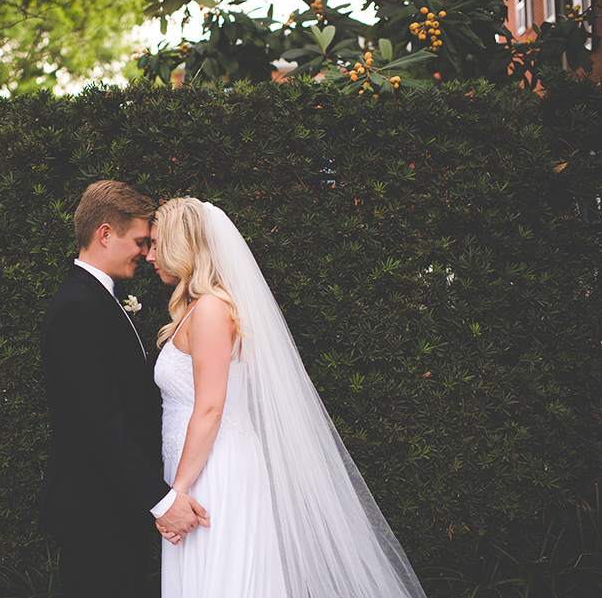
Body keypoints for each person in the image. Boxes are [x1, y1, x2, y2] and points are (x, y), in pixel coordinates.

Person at [147, 197, 428, 598]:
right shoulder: (196, 308)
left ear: (182, 244)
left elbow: (210, 406)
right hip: (194, 468)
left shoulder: (211, 308)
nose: (150, 255)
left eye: (157, 244)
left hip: (212, 472)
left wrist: (176, 493)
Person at [39, 181, 208, 598]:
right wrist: (162, 501)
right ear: (104, 234)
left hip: (115, 508)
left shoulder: (98, 299)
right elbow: (98, 425)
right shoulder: (78, 307)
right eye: (139, 241)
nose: (145, 252)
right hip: (95, 512)